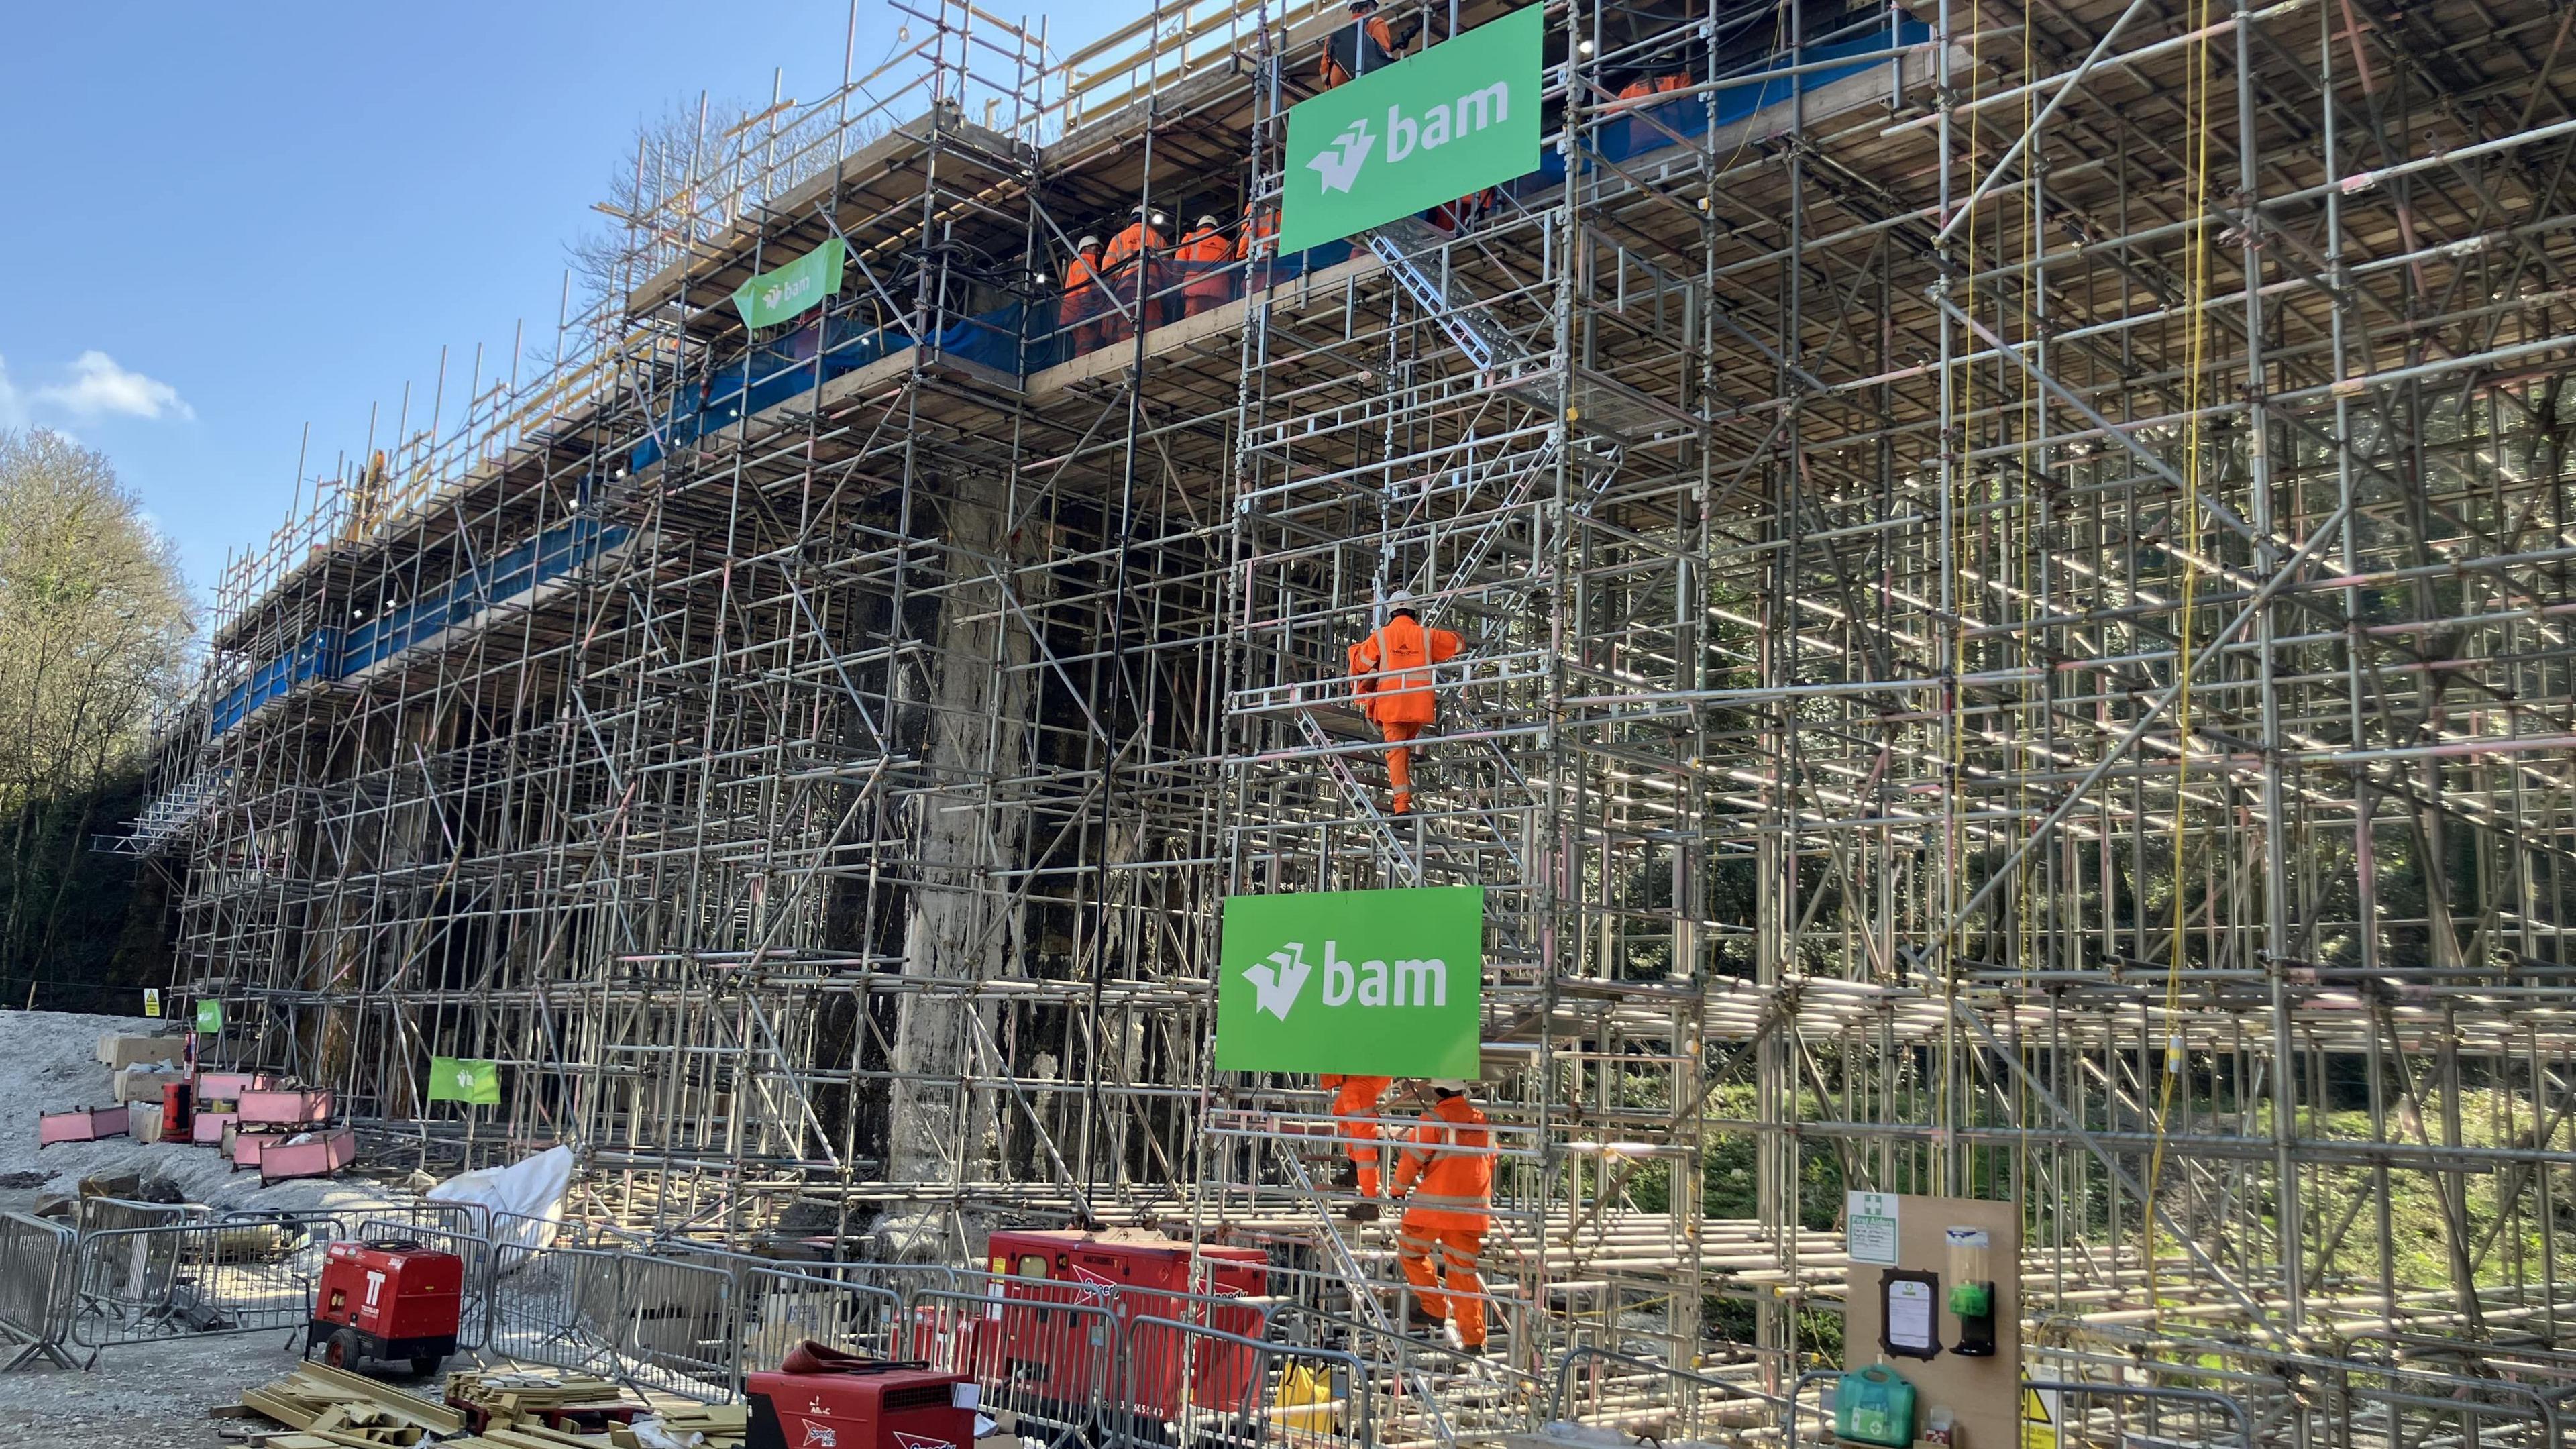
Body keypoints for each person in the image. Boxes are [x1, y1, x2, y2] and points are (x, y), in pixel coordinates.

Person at [1392, 1079, 1493, 1354]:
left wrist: (1396, 1191)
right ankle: (1474, 1340)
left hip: (1435, 1205)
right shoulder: (1479, 1119)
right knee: (1463, 1272)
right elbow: (1489, 1159)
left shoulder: (1433, 1118)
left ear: (1437, 1091)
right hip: (1471, 1210)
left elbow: (1413, 1157)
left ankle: (1434, 1308)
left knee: (1411, 1252)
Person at [1346, 589, 1462, 814]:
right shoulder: (1426, 636)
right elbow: (1457, 644)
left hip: (1392, 708)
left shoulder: (1381, 636)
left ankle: (1402, 806)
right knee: (1403, 751)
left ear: (1391, 615)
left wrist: (1358, 651)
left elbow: (1360, 664)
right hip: (1419, 707)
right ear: (1414, 613)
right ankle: (1404, 800)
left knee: (1397, 755)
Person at [1320, 1073, 1394, 1220]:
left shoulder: (1357, 1088)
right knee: (1342, 1113)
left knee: (1363, 1141)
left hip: (1359, 1078)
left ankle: (1370, 1201)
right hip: (1358, 1078)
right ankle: (1355, 1168)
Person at [1102, 205, 1167, 338]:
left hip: (1124, 291)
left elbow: (1107, 272)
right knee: (1152, 331)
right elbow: (1167, 271)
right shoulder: (1158, 239)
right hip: (1150, 290)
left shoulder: (1118, 239)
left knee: (1127, 331)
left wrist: (1109, 298)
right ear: (1148, 220)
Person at [1320, 0, 1400, 87]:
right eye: (1373, 7)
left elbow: (1324, 72)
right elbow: (1382, 58)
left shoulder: (1333, 37)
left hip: (1337, 89)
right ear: (1368, 7)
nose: (1374, 10)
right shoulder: (1375, 22)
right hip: (1367, 83)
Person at [1175, 214, 1233, 317]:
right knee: (1215, 326)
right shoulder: (1227, 244)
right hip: (1219, 292)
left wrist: (1176, 287)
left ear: (1199, 228)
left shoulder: (1191, 238)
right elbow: (1232, 272)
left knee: (1192, 325)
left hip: (1195, 290)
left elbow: (1178, 266)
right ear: (1216, 229)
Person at [1060, 235, 1106, 356]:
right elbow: (1083, 288)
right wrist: (1088, 310)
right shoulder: (1083, 263)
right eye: (1095, 248)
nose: (1098, 252)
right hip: (1081, 311)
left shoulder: (1089, 265)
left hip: (1077, 311)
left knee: (1088, 343)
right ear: (1085, 249)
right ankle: (1083, 368)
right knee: (1086, 343)